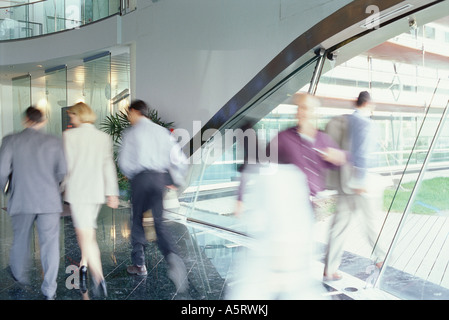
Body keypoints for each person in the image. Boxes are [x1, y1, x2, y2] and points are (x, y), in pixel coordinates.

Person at [118, 99, 188, 293]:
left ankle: (139, 265)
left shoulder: (131, 133)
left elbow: (124, 162)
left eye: (129, 113)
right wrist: (174, 179)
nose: (129, 117)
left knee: (138, 221)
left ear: (134, 112)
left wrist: (132, 175)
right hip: (158, 180)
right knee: (158, 222)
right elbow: (179, 159)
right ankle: (172, 257)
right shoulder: (161, 131)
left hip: (141, 179)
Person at [0, 106, 67, 300]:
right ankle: (50, 290)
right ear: (43, 121)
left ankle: (20, 279)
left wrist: (6, 189)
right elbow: (63, 171)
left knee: (20, 240)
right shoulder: (55, 142)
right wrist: (55, 187)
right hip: (49, 201)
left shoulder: (11, 140)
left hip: (22, 199)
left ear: (25, 121)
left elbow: (2, 171)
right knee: (50, 245)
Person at [323, 91, 387, 281]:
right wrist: (360, 181)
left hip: (345, 182)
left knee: (339, 226)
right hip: (359, 183)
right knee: (370, 221)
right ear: (368, 103)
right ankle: (380, 258)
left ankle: (329, 268)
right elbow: (361, 153)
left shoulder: (347, 120)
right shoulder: (364, 122)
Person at [63, 102, 119, 297]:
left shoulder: (69, 136)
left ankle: (99, 277)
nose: (71, 119)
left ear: (78, 116)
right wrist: (112, 193)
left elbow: (66, 167)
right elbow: (108, 166)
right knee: (89, 233)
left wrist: (60, 187)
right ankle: (84, 265)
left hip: (78, 192)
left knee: (83, 235)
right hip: (96, 192)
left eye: (72, 116)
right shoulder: (103, 137)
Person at [269, 92, 347, 199]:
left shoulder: (323, 139)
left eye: (306, 108)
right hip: (289, 200)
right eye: (299, 108)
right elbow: (261, 164)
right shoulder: (283, 138)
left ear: (314, 113)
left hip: (314, 201)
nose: (301, 112)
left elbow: (342, 160)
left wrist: (341, 157)